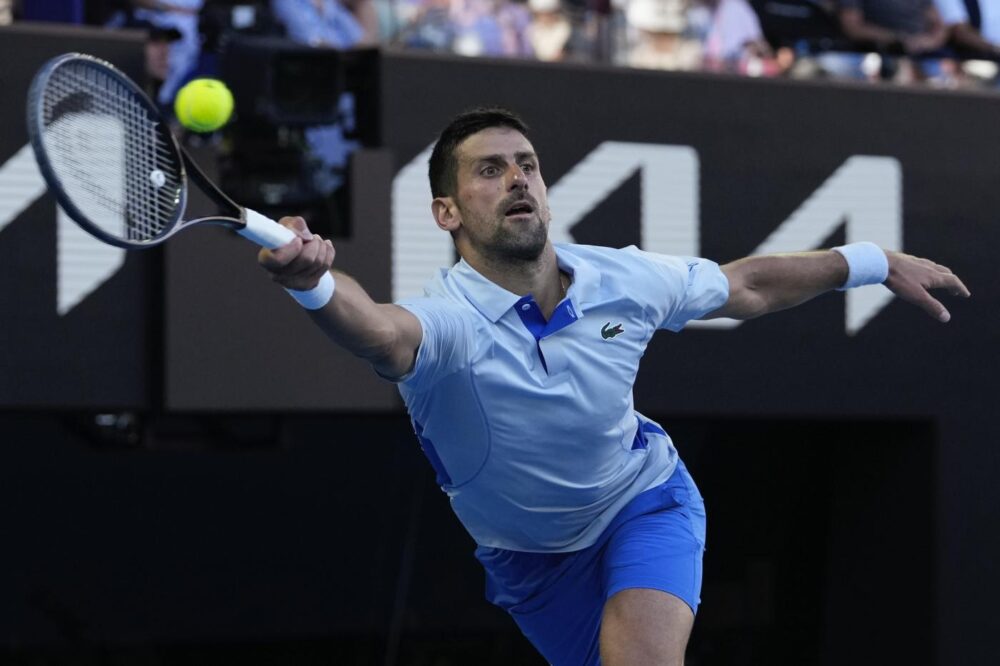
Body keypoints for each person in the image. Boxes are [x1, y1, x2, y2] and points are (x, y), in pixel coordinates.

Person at [256, 108, 969, 665]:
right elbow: (378, 330)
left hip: (643, 502)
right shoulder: (449, 323)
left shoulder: (623, 278)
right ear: (448, 212)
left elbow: (746, 285)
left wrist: (870, 260)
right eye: (490, 170)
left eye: (528, 166)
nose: (517, 180)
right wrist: (315, 284)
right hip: (531, 563)